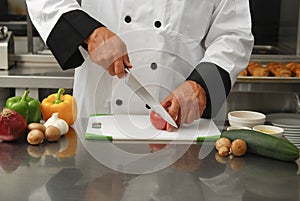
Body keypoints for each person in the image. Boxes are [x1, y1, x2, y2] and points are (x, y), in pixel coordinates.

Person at [26, 0, 254, 131]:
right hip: (99, 117)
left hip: (179, 122)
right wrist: (88, 32)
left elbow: (233, 34)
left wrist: (201, 85)